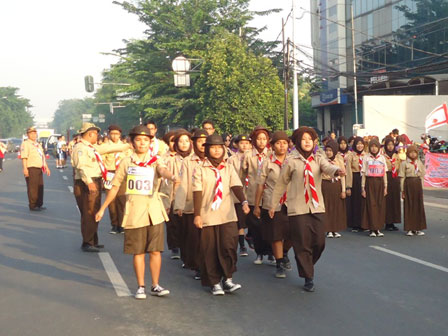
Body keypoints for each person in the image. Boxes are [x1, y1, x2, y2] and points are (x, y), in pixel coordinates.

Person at [96, 125, 178, 299]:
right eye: (138, 140)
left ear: (150, 142)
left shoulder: (155, 160)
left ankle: (155, 284)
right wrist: (103, 208)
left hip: (154, 211)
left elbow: (162, 170)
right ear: (132, 143)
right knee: (138, 251)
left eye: (146, 140)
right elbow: (115, 185)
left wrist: (171, 176)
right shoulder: (127, 162)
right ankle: (140, 286)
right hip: (134, 211)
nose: (142, 143)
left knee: (156, 251)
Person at [270, 127, 344, 292]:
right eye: (303, 139)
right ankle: (308, 276)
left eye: (310, 139)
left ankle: (307, 263)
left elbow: (327, 167)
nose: (307, 142)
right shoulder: (290, 161)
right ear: (297, 142)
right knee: (302, 242)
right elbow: (281, 183)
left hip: (316, 207)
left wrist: (337, 171)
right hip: (297, 208)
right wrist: (273, 205)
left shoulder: (319, 158)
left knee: (319, 242)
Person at [192, 133, 250, 295]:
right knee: (209, 249)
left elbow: (236, 186)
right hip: (207, 214)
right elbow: (197, 191)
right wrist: (197, 214)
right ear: (207, 149)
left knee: (229, 246)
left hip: (227, 214)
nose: (216, 151)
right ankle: (214, 282)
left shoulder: (228, 167)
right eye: (213, 148)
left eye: (219, 148)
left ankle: (228, 279)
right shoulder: (200, 168)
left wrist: (244, 202)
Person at [71, 122, 130, 252]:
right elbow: (81, 167)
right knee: (89, 213)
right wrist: (89, 182)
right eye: (96, 133)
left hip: (94, 181)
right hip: (87, 182)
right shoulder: (80, 148)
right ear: (90, 133)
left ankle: (93, 240)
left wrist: (128, 146)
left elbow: (109, 149)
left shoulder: (91, 148)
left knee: (94, 213)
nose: (97, 136)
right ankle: (87, 242)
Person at [253, 131, 293, 279]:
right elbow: (260, 185)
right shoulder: (267, 162)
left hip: (291, 202)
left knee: (293, 233)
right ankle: (279, 263)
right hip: (272, 203)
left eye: (284, 142)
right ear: (273, 146)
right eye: (278, 143)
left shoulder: (293, 160)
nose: (282, 146)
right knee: (276, 235)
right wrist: (257, 206)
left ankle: (285, 252)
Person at [174, 129, 208, 280]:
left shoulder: (216, 159)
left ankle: (208, 266)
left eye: (205, 142)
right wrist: (179, 204)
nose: (203, 145)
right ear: (194, 144)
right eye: (200, 142)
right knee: (195, 239)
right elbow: (183, 184)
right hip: (192, 206)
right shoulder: (188, 162)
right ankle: (199, 266)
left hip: (211, 207)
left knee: (209, 239)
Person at [242, 126, 275, 265]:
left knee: (269, 224)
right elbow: (243, 174)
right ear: (254, 140)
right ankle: (259, 253)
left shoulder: (272, 154)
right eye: (258, 139)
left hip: (268, 192)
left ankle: (271, 253)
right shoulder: (248, 154)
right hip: (252, 192)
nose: (261, 142)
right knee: (256, 226)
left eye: (264, 139)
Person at [165, 129, 192, 260]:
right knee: (174, 224)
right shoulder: (170, 159)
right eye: (180, 141)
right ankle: (175, 247)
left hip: (191, 197)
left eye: (186, 141)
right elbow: (166, 182)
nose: (184, 144)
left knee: (189, 228)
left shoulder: (195, 159)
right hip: (174, 196)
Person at [102, 125, 130, 234]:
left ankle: (122, 224)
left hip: (122, 174)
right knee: (111, 201)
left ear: (120, 134)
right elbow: (102, 161)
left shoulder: (125, 146)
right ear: (109, 134)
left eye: (117, 133)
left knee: (122, 200)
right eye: (112, 133)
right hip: (110, 173)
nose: (114, 136)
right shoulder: (104, 146)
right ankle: (114, 224)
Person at [227, 134, 252, 257]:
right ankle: (242, 246)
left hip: (251, 192)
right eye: (242, 143)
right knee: (240, 221)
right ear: (236, 145)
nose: (244, 145)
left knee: (253, 220)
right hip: (238, 194)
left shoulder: (254, 157)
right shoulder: (231, 159)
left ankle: (250, 236)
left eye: (247, 143)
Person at [361, 139, 388, 237]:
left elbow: (384, 173)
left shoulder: (382, 158)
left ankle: (378, 228)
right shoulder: (366, 158)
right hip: (370, 182)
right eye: (372, 146)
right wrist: (363, 188)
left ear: (378, 147)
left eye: (375, 146)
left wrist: (385, 186)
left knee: (380, 205)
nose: (373, 148)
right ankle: (372, 229)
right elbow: (363, 173)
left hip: (380, 183)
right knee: (371, 205)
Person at [20, 127, 51, 211]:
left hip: (39, 168)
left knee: (40, 186)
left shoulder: (37, 144)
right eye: (31, 133)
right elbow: (24, 157)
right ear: (28, 134)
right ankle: (33, 205)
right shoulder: (26, 144)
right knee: (32, 187)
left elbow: (42, 157)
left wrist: (46, 167)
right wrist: (25, 169)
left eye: (35, 133)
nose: (34, 135)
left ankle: (39, 204)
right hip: (31, 168)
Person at [399, 145, 427, 236]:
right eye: (411, 152)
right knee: (409, 206)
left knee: (418, 206)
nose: (413, 154)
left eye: (414, 152)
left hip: (417, 184)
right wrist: (402, 190)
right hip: (408, 184)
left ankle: (418, 228)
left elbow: (422, 176)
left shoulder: (419, 163)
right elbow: (402, 177)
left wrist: (422, 188)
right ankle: (410, 228)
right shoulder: (404, 163)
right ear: (408, 153)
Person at [322, 140, 347, 238]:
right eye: (327, 150)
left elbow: (343, 175)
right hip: (326, 184)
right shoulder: (323, 161)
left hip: (336, 185)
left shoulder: (339, 160)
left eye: (330, 150)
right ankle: (328, 229)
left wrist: (343, 190)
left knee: (336, 208)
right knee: (327, 207)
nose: (328, 152)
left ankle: (335, 229)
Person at [346, 137, 365, 232]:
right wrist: (348, 186)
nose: (360, 146)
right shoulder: (350, 156)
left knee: (364, 202)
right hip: (355, 178)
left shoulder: (366, 155)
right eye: (358, 144)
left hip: (364, 178)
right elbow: (348, 171)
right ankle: (355, 224)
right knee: (355, 202)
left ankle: (364, 223)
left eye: (361, 144)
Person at [383, 137, 401, 231]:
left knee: (394, 200)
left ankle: (393, 221)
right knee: (387, 201)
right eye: (388, 145)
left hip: (395, 179)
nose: (390, 147)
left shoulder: (396, 155)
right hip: (386, 177)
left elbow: (399, 167)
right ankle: (387, 222)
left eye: (392, 145)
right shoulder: (383, 156)